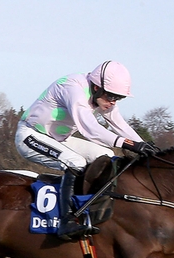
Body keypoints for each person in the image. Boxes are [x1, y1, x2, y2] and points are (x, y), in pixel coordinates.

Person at [15, 60, 158, 241]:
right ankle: (67, 221)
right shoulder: (73, 88)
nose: (112, 102)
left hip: (60, 139)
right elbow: (89, 128)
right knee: (76, 162)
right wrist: (128, 144)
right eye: (111, 96)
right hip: (30, 135)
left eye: (118, 98)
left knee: (106, 156)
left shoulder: (102, 96)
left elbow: (118, 123)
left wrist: (143, 145)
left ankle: (94, 209)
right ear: (97, 87)